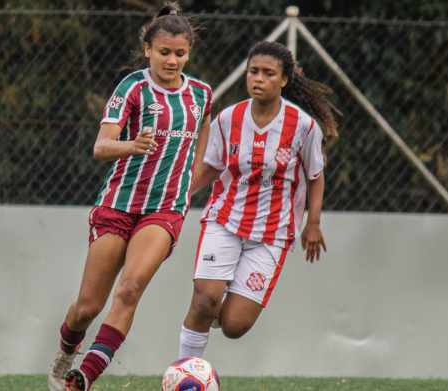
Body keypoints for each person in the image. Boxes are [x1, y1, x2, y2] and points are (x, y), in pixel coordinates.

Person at [46, 3, 213, 391]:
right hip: (118, 205)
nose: (172, 60)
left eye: (180, 53)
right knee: (87, 306)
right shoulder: (133, 88)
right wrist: (131, 145)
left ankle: (83, 376)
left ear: (189, 53)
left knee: (130, 288)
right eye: (164, 52)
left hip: (164, 211)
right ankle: (66, 351)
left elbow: (201, 157)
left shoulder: (202, 95)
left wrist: (184, 191)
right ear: (148, 50)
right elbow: (101, 146)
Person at [177, 41, 339, 360]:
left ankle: (205, 314)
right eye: (254, 72)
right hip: (224, 220)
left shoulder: (303, 127)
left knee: (235, 325)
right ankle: (183, 372)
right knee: (206, 298)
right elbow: (212, 166)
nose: (259, 79)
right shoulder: (228, 118)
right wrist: (180, 196)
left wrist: (313, 223)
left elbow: (315, 176)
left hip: (272, 234)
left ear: (284, 79)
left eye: (268, 73)